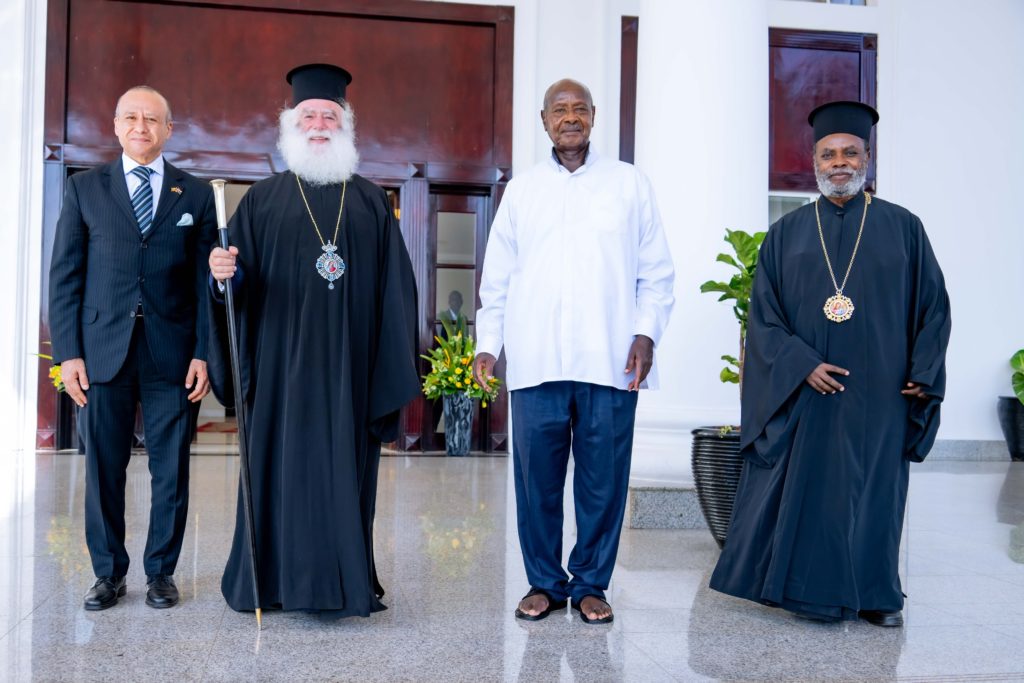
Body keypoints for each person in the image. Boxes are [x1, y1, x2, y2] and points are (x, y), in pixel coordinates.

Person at [709, 101, 952, 626]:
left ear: (867, 156)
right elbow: (765, 317)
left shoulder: (904, 227)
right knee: (815, 495)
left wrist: (924, 373)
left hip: (882, 392)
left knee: (876, 496)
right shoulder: (786, 234)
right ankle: (811, 594)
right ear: (813, 160)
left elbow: (934, 306)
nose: (839, 162)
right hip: (809, 393)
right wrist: (800, 364)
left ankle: (877, 596)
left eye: (849, 152)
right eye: (828, 153)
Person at [207, 63, 419, 615]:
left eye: (330, 115)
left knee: (345, 479)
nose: (319, 124)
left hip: (350, 371)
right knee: (279, 477)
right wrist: (222, 276)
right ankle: (269, 584)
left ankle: (346, 584)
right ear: (290, 126)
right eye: (309, 116)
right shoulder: (261, 201)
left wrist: (385, 370)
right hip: (281, 374)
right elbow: (238, 286)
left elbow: (396, 292)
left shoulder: (372, 202)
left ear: (345, 126)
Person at [473, 78, 675, 624]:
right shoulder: (522, 191)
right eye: (558, 110)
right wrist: (487, 347)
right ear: (543, 121)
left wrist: (646, 333)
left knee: (602, 483)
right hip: (538, 362)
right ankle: (543, 582)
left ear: (594, 116)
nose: (569, 118)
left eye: (578, 109)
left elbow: (656, 273)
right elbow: (497, 280)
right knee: (535, 482)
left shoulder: (630, 185)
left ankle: (590, 584)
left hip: (610, 362)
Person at [49, 86, 217, 610]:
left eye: (153, 119)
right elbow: (65, 277)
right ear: (115, 125)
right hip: (102, 351)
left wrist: (204, 352)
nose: (141, 126)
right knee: (103, 466)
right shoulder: (85, 188)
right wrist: (68, 354)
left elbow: (205, 284)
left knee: (171, 469)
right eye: (131, 117)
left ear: (169, 129)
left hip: (171, 351)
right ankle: (107, 574)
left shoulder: (193, 194)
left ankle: (161, 573)